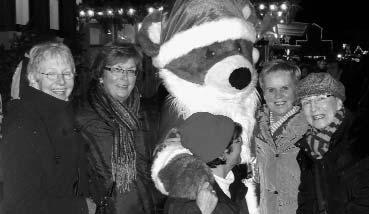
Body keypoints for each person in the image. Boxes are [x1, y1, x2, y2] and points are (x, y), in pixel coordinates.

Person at [1, 42, 93, 214]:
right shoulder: (23, 127)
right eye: (51, 74)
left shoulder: (62, 114)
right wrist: (82, 207)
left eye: (67, 73)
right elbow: (19, 206)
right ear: (34, 79)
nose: (61, 81)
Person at [75, 43, 154, 214]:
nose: (125, 78)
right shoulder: (83, 118)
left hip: (147, 205)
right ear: (100, 74)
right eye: (117, 69)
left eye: (131, 71)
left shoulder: (145, 114)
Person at [296, 72, 369, 214]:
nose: (313, 108)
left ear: (339, 102)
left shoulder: (361, 140)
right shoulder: (309, 147)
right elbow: (307, 200)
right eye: (306, 102)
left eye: (321, 98)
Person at [163, 112, 248, 214]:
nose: (242, 143)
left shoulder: (234, 182)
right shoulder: (186, 197)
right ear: (221, 153)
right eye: (238, 141)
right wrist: (201, 211)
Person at [254, 59, 309, 214]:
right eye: (271, 90)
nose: (278, 95)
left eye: (285, 88)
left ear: (297, 90)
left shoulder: (310, 127)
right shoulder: (254, 123)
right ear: (263, 93)